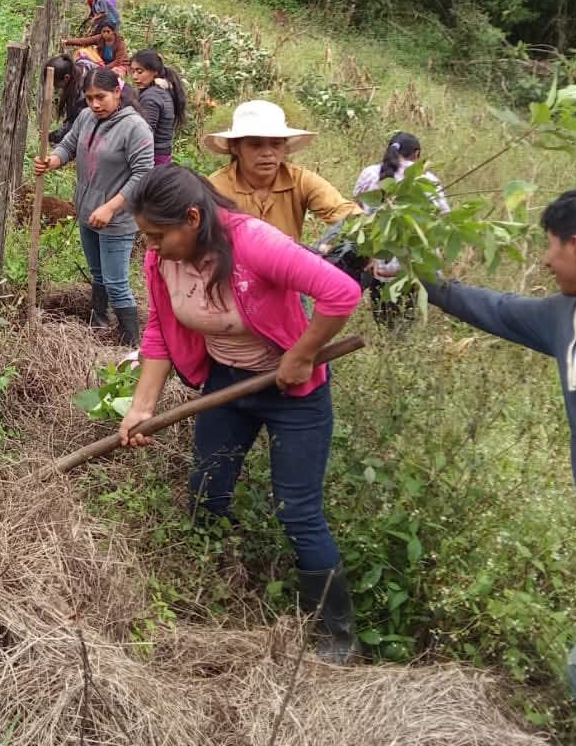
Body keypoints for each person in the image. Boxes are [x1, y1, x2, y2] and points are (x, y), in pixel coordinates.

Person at [118, 165, 363, 662]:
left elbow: (342, 293)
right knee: (207, 490)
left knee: (298, 512)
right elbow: (161, 332)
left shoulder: (253, 244)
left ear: (191, 218)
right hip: (227, 386)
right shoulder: (159, 261)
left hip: (293, 393)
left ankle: (337, 638)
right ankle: (213, 589)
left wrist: (301, 353)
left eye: (158, 235)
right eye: (145, 237)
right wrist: (142, 406)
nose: (151, 247)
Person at [421, 188, 576, 745]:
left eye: (550, 246)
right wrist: (416, 275)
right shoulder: (567, 317)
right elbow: (494, 308)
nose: (546, 260)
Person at [35, 68, 154, 345]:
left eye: (101, 97)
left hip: (117, 219)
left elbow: (143, 175)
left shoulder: (136, 128)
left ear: (117, 92)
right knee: (98, 274)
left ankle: (131, 343)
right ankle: (98, 322)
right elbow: (69, 144)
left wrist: (111, 208)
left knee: (116, 282)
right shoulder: (87, 118)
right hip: (88, 211)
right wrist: (53, 160)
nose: (95, 104)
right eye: (89, 98)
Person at [205, 99, 361, 242]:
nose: (267, 153)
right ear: (235, 147)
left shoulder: (300, 180)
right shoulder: (216, 188)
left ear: (284, 147)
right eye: (255, 145)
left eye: (276, 144)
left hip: (289, 270)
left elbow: (343, 211)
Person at [354, 132, 450, 326]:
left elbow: (356, 207)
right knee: (406, 315)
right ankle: (399, 338)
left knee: (383, 310)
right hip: (414, 263)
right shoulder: (428, 179)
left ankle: (386, 337)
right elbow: (442, 217)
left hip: (379, 260)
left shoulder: (370, 173)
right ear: (417, 154)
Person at [45, 54, 136, 147]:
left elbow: (75, 125)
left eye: (55, 83)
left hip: (123, 101)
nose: (54, 87)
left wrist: (52, 136)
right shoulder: (80, 66)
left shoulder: (82, 92)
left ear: (66, 78)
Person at [129, 49, 188, 166]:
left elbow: (144, 133)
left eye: (140, 72)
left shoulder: (151, 97)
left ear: (154, 72)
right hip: (162, 154)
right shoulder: (160, 91)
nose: (135, 76)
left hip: (153, 157)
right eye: (133, 71)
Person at [63, 22, 130, 72]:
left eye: (108, 31)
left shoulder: (120, 43)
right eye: (103, 31)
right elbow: (84, 41)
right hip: (102, 63)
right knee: (83, 52)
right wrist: (67, 41)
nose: (105, 34)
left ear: (113, 32)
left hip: (118, 65)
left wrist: (105, 68)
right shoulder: (99, 38)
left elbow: (118, 61)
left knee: (115, 73)